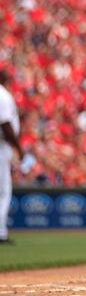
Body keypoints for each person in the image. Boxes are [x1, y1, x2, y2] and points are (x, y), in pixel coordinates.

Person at [0, 69, 23, 244]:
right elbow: (6, 124)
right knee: (3, 191)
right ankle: (1, 232)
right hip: (1, 147)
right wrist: (18, 148)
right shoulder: (3, 95)